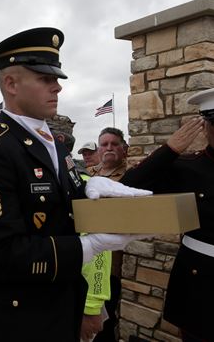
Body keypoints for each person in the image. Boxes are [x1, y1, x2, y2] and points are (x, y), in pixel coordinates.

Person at [0, 27, 149, 342]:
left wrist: (88, 191)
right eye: (45, 79)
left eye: (56, 79)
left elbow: (62, 213)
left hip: (60, 304)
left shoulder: (53, 144)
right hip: (17, 320)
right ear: (11, 83)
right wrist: (88, 247)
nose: (57, 87)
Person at [121, 85, 214, 341]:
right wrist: (170, 150)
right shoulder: (186, 167)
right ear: (205, 127)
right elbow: (126, 189)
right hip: (206, 293)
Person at [83, 127, 130, 342]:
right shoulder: (87, 176)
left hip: (111, 264)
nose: (109, 148)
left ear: (124, 149)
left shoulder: (130, 176)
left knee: (104, 325)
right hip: (83, 260)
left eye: (114, 144)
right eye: (104, 144)